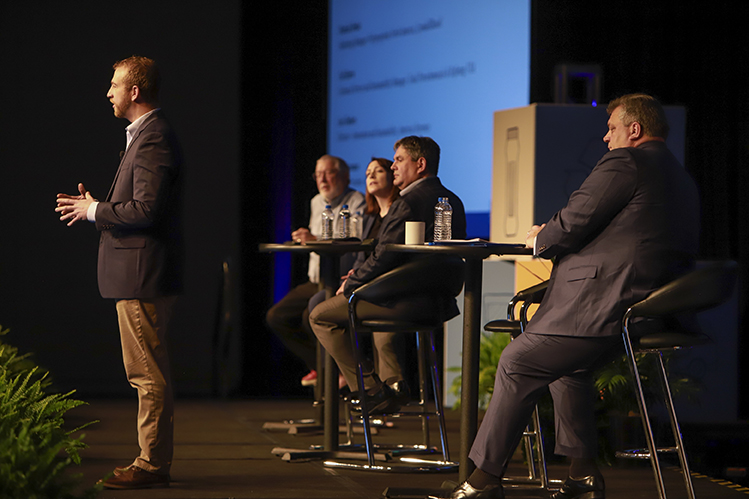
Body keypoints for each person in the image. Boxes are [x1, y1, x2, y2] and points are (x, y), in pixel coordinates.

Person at [431, 94, 700, 499]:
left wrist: (542, 237)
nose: (606, 138)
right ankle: (582, 476)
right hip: (653, 309)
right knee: (568, 369)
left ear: (634, 129)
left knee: (517, 362)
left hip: (608, 306)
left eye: (611, 128)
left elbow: (575, 219)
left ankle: (483, 481)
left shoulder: (626, 162)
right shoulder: (680, 175)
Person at [55, 56, 183, 490]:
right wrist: (99, 208)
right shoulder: (145, 135)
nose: (108, 92)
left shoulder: (153, 136)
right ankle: (153, 461)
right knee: (147, 371)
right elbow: (138, 204)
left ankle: (151, 464)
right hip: (138, 272)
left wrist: (94, 210)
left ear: (135, 91)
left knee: (146, 374)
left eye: (114, 85)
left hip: (140, 274)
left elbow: (146, 210)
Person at [309, 136, 467, 413]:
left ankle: (372, 390)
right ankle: (389, 388)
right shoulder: (454, 200)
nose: (393, 166)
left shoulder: (407, 202)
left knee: (320, 315)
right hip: (438, 303)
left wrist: (352, 283)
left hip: (403, 300)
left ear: (420, 164)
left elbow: (383, 257)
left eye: (399, 160)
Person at [307, 157, 407, 397]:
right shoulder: (371, 217)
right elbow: (364, 256)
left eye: (378, 171)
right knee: (316, 304)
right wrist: (355, 274)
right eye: (368, 172)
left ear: (392, 177)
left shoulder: (398, 214)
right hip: (364, 284)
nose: (370, 175)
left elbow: (387, 259)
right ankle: (361, 384)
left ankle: (373, 389)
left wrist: (357, 278)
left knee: (320, 310)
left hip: (383, 288)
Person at [265, 155, 365, 388]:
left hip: (339, 280)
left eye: (328, 173)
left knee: (309, 317)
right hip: (316, 279)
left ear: (344, 176)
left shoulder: (356, 201)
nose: (322, 179)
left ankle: (337, 371)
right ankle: (323, 368)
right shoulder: (316, 202)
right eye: (318, 174)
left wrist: (314, 238)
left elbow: (353, 240)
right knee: (277, 316)